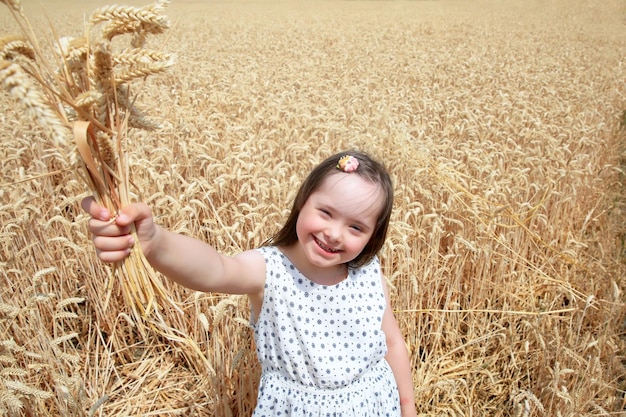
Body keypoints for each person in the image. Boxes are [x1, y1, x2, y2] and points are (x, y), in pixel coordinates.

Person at [82, 150, 417, 416]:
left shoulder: (369, 273)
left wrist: (407, 407)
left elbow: (392, 342)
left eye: (356, 227)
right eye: (326, 212)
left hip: (374, 405)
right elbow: (216, 269)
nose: (334, 233)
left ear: (374, 236)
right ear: (302, 202)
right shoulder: (270, 270)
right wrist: (155, 242)